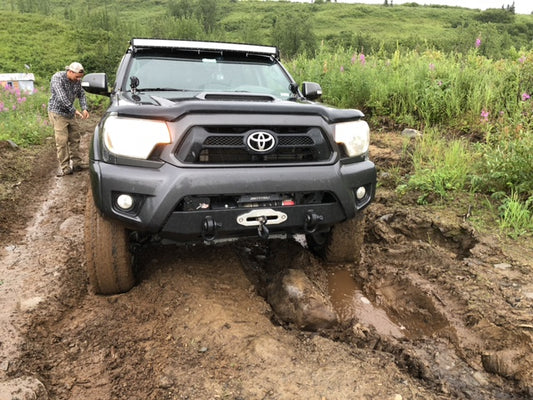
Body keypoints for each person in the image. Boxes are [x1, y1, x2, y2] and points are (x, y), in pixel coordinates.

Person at [48, 62, 90, 177]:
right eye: (77, 77)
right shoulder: (57, 78)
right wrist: (74, 110)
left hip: (70, 113)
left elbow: (81, 94)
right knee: (62, 141)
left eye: (80, 78)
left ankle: (77, 163)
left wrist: (84, 108)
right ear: (70, 72)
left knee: (75, 138)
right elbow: (62, 98)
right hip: (58, 113)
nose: (78, 80)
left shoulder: (77, 81)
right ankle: (65, 167)